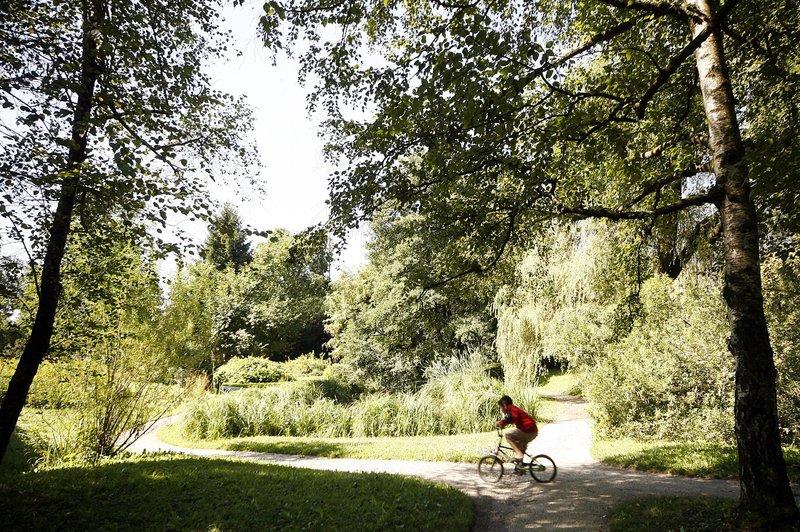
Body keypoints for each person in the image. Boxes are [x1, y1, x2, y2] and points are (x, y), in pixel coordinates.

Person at [496, 395, 538, 467]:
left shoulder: (512, 409)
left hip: (528, 430)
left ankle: (519, 455)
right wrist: (503, 424)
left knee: (508, 435)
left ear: (505, 406)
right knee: (520, 446)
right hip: (531, 430)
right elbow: (510, 419)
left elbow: (512, 418)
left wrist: (501, 423)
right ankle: (520, 468)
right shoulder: (512, 410)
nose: (501, 410)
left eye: (501, 407)